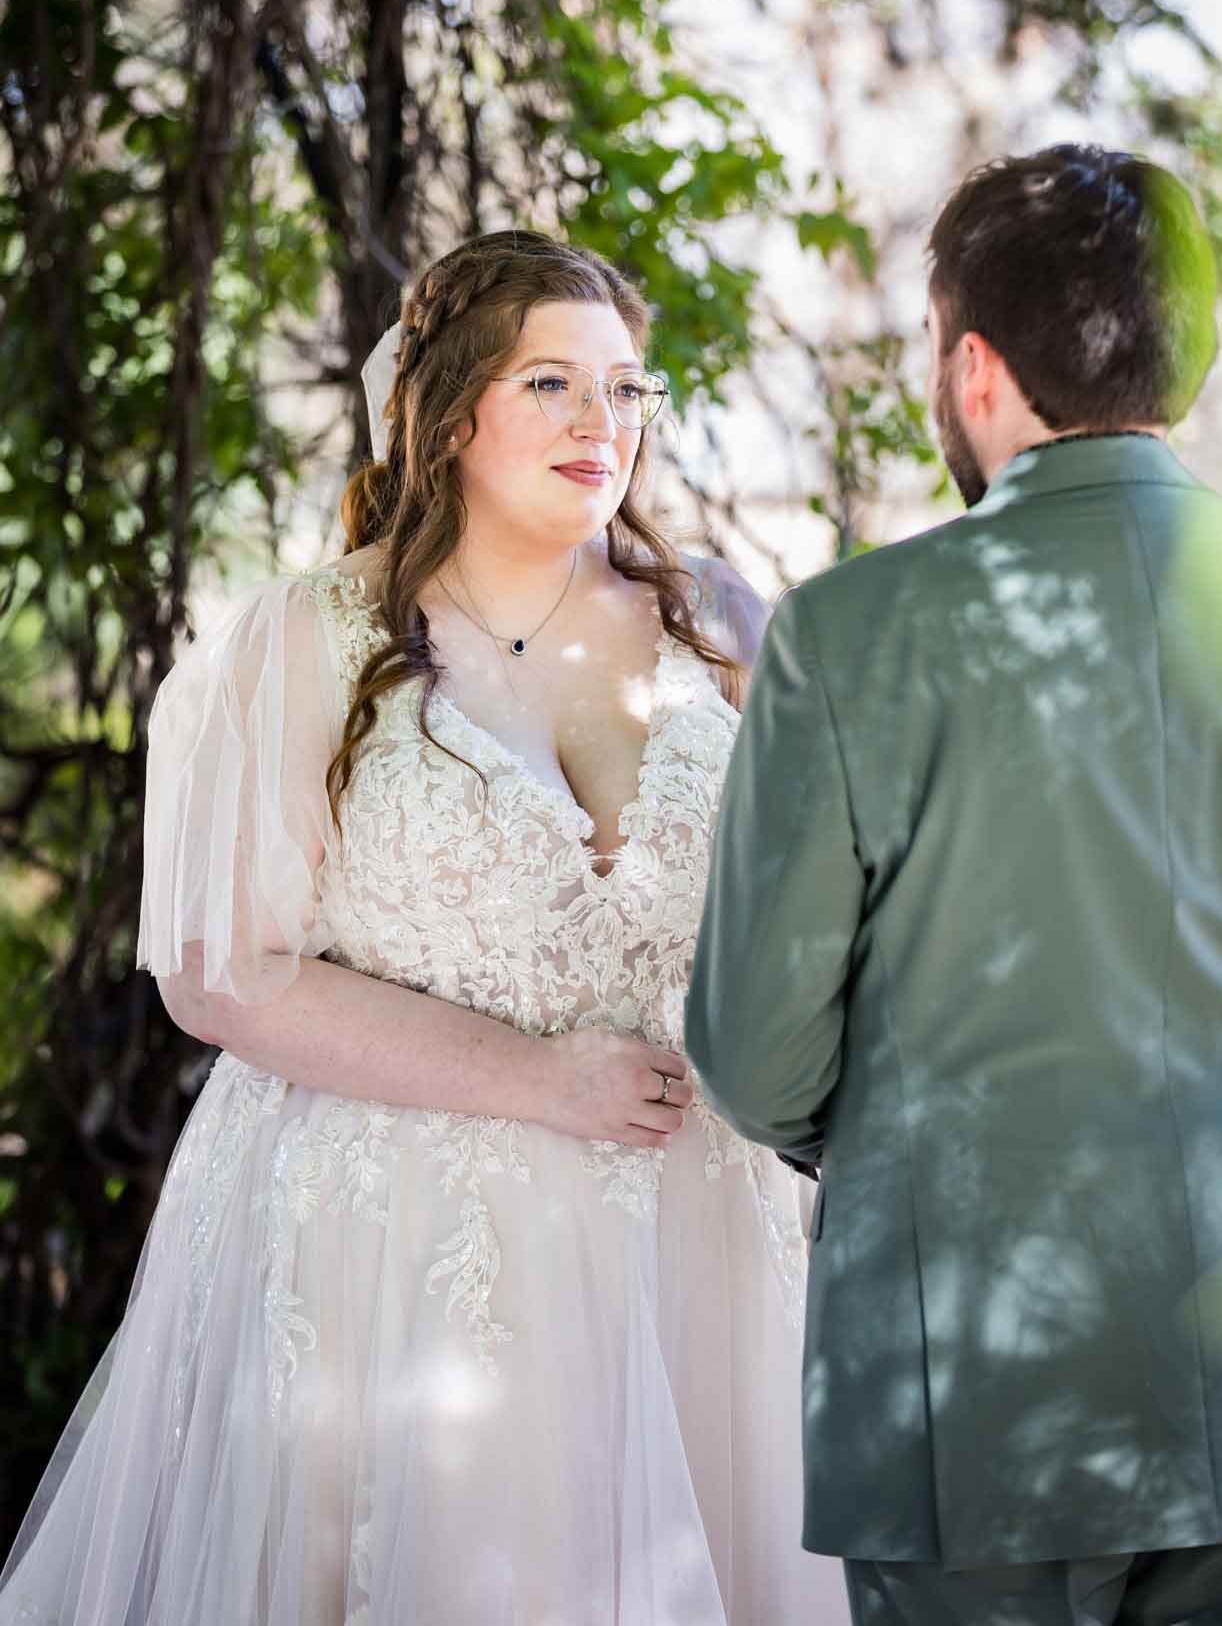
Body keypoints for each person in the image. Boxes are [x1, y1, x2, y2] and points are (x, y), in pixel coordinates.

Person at [0, 232, 847, 1624]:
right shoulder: (300, 640)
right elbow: (222, 975)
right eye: (554, 385)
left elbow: (826, 903)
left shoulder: (718, 628)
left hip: (697, 1234)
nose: (604, 425)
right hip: (405, 1249)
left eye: (626, 390)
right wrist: (533, 1078)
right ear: (448, 411)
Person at [686, 146, 1222, 1625]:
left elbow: (751, 1056)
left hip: (964, 1389)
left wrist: (890, 1150)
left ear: (972, 367)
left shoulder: (848, 632)